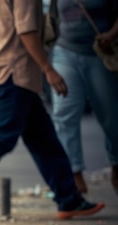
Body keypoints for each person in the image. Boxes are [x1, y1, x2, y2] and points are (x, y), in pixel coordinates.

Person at [0, 0, 105, 220]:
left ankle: (68, 198)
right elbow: (26, 29)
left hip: (1, 67)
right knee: (1, 136)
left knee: (43, 138)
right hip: (15, 70)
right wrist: (48, 69)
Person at [49, 0, 118, 194]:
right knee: (64, 113)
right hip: (65, 51)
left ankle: (116, 163)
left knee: (111, 116)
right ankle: (73, 173)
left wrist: (111, 35)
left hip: (100, 53)